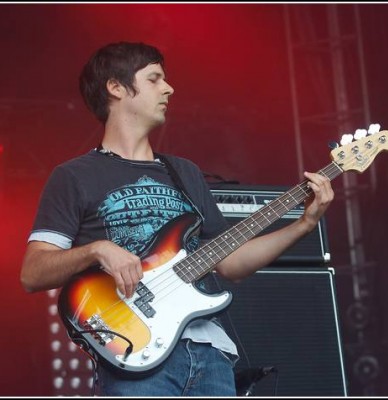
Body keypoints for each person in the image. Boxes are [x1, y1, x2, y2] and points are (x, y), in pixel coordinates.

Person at [20, 41, 334, 396]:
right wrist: (97, 250)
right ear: (117, 87)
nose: (169, 88)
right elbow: (33, 273)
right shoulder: (74, 176)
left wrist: (303, 224)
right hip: (135, 356)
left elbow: (231, 263)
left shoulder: (184, 172)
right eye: (154, 79)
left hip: (211, 355)